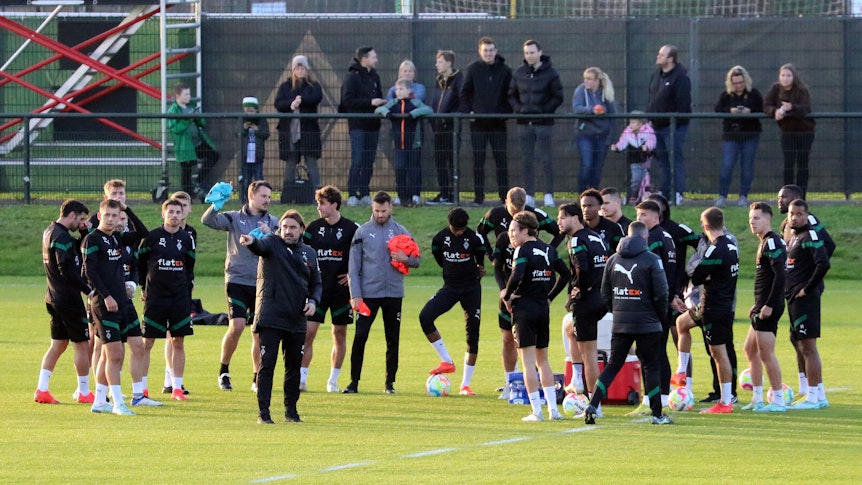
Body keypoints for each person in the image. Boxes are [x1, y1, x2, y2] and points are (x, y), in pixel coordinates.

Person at [584, 221, 671, 425]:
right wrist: (660, 317)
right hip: (648, 323)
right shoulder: (652, 260)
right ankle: (657, 414)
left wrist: (618, 312)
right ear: (645, 237)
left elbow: (605, 293)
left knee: (613, 365)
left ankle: (593, 404)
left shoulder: (613, 259)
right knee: (651, 366)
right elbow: (662, 293)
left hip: (621, 323)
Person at [239, 210, 321, 424]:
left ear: (301, 229)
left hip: (296, 318)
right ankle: (263, 414)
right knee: (267, 365)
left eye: (293, 227)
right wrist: (250, 241)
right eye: (284, 227)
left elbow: (317, 283)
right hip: (270, 316)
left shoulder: (309, 253)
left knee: (294, 366)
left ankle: (291, 412)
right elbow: (260, 246)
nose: (288, 231)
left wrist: (313, 302)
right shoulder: (272, 243)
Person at [201, 180, 278, 392]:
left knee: (258, 333)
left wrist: (271, 234)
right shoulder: (234, 217)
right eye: (264, 196)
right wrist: (216, 205)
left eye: (269, 197)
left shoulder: (273, 221)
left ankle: (257, 378)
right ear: (251, 196)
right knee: (236, 326)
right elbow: (207, 221)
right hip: (237, 280)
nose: (267, 200)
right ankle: (224, 370)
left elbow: (283, 244)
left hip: (262, 282)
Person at [343, 191, 420, 394]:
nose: (380, 214)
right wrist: (355, 295)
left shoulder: (401, 231)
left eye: (383, 210)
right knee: (360, 336)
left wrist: (406, 258)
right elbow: (353, 267)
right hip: (368, 295)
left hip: (394, 294)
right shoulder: (362, 232)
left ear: (390, 208)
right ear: (372, 209)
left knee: (392, 339)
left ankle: (389, 383)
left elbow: (417, 260)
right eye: (376, 211)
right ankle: (353, 382)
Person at [501, 211, 569, 421]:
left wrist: (507, 294)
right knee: (544, 361)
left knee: (528, 363)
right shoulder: (549, 249)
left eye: (514, 231)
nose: (510, 235)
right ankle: (553, 410)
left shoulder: (521, 250)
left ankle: (537, 412)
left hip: (524, 310)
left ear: (525, 230)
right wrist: (550, 297)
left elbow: (517, 274)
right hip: (542, 309)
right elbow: (566, 274)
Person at [676, 207, 739, 414]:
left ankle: (726, 401)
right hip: (713, 306)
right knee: (681, 323)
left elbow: (697, 276)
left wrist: (707, 275)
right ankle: (681, 372)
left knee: (719, 353)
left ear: (705, 226)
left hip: (714, 307)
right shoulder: (731, 244)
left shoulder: (715, 249)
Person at [776, 184, 835, 401]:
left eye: (784, 197)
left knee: (807, 343)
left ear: (797, 199)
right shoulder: (790, 228)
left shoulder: (810, 228)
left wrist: (808, 275)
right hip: (792, 292)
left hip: (806, 291)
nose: (779, 201)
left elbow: (828, 248)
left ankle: (814, 393)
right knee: (796, 338)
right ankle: (806, 387)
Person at [421, 207, 486, 396]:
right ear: (449, 224)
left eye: (461, 229)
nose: (458, 232)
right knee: (425, 316)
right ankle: (447, 361)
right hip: (449, 288)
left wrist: (476, 271)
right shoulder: (439, 239)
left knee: (472, 335)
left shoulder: (475, 239)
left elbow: (480, 264)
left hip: (471, 290)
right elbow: (439, 258)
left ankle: (465, 385)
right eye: (455, 229)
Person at [300, 185, 359, 393]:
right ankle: (301, 379)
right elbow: (301, 253)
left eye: (322, 204)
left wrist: (353, 274)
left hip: (341, 292)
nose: (318, 207)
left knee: (339, 334)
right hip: (317, 291)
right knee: (308, 333)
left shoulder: (352, 229)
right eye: (318, 203)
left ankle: (333, 380)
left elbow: (362, 256)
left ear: (334, 205)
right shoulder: (312, 228)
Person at [137, 199, 196, 402]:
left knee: (178, 341)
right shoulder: (151, 237)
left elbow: (189, 267)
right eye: (170, 211)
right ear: (163, 214)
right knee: (147, 342)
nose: (174, 215)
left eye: (178, 212)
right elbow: (141, 264)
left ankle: (177, 388)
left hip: (179, 298)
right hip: (155, 298)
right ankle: (143, 388)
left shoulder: (187, 239)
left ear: (182, 215)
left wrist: (187, 292)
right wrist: (144, 287)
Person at [35, 200, 93, 405]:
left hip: (52, 296)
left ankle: (42, 389)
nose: (82, 222)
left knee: (58, 344)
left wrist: (85, 234)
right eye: (81, 219)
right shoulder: (61, 237)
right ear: (72, 215)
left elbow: (74, 251)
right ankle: (84, 392)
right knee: (82, 345)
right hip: (67, 299)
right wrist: (89, 290)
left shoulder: (51, 232)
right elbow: (65, 268)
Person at [82, 199, 136, 416]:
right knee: (115, 354)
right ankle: (117, 403)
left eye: (116, 215)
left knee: (110, 355)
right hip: (105, 305)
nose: (112, 219)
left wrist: (127, 210)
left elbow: (141, 233)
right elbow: (90, 272)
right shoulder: (92, 239)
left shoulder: (116, 238)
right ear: (100, 216)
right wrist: (107, 297)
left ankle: (98, 400)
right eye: (108, 215)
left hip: (120, 302)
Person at [556, 203, 608, 408]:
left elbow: (581, 268)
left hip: (587, 301)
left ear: (574, 217)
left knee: (590, 354)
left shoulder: (576, 240)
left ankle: (595, 405)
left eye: (562, 217)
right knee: (570, 329)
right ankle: (577, 378)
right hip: (602, 297)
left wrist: (577, 291)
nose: (559, 222)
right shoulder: (596, 236)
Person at [742, 201, 787, 412]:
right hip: (761, 305)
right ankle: (757, 398)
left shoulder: (772, 242)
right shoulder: (764, 242)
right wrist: (758, 303)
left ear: (768, 219)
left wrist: (768, 304)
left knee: (766, 353)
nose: (752, 222)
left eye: (757, 218)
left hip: (770, 307)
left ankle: (778, 399)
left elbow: (780, 276)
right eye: (751, 218)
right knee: (750, 349)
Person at [635, 200, 680, 410]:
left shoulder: (653, 238)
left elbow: (653, 273)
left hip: (654, 303)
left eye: (643, 215)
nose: (639, 219)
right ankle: (662, 396)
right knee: (659, 350)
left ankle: (650, 399)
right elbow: (672, 271)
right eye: (638, 214)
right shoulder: (667, 236)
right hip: (665, 300)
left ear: (655, 216)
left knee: (650, 352)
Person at [508, 39, 564, 207]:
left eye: (532, 52)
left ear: (539, 52)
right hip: (524, 124)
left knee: (546, 159)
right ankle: (529, 195)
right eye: (526, 53)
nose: (529, 56)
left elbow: (557, 96)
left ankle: (548, 194)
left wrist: (544, 111)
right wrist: (519, 110)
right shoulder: (519, 72)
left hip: (544, 124)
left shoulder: (551, 73)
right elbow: (511, 94)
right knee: (526, 159)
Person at [460, 36, 512, 206]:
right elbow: (464, 92)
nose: (488, 53)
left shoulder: (505, 70)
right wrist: (470, 112)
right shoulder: (473, 69)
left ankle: (505, 197)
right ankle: (478, 197)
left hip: (498, 123)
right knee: (478, 160)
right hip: (478, 124)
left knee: (501, 160)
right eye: (485, 51)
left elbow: (510, 94)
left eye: (491, 50)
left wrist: (505, 112)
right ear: (479, 51)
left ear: (495, 51)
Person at [375, 78, 433, 207]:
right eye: (397, 89)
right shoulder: (393, 103)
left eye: (401, 89)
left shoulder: (415, 102)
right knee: (400, 169)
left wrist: (413, 114)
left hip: (413, 144)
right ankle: (401, 196)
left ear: (409, 90)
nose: (398, 92)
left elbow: (429, 110)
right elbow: (378, 110)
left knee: (414, 169)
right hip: (398, 144)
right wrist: (387, 113)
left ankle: (415, 195)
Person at [161, 191, 196, 395]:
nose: (179, 212)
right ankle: (170, 379)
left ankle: (175, 382)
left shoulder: (190, 234)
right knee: (168, 335)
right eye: (175, 208)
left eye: (183, 206)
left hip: (182, 291)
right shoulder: (161, 236)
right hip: (163, 293)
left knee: (178, 337)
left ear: (188, 210)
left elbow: (190, 264)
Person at [341, 46, 386, 207]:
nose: (376, 59)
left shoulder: (375, 76)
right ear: (364, 58)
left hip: (373, 125)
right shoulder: (352, 76)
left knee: (368, 160)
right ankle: (353, 193)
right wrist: (369, 102)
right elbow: (347, 101)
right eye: (373, 56)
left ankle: (365, 191)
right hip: (357, 125)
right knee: (358, 158)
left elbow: (379, 95)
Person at [647, 45, 692, 205]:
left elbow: (684, 105)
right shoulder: (656, 75)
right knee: (662, 160)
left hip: (674, 127)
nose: (658, 57)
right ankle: (664, 192)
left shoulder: (680, 78)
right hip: (656, 126)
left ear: (670, 58)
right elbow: (652, 99)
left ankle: (678, 193)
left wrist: (674, 122)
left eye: (661, 54)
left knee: (675, 159)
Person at [714, 66, 763, 207]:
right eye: (735, 83)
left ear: (745, 81)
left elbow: (762, 108)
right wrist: (730, 111)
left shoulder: (753, 94)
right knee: (727, 166)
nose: (738, 86)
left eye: (741, 82)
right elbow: (717, 109)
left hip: (750, 136)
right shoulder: (726, 95)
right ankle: (722, 196)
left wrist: (750, 111)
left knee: (747, 167)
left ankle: (743, 196)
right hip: (730, 136)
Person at [763, 64, 815, 196]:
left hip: (804, 132)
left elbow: (805, 109)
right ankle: (788, 195)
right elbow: (766, 105)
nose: (785, 78)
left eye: (788, 75)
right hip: (787, 132)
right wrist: (774, 111)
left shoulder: (802, 90)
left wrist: (791, 107)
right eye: (783, 75)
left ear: (794, 77)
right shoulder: (775, 89)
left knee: (802, 163)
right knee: (788, 163)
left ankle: (801, 195)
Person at [275, 55, 323, 189]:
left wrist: (301, 100)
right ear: (293, 70)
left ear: (307, 69)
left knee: (311, 160)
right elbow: (278, 103)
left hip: (308, 130)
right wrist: (291, 104)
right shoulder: (285, 86)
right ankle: (289, 191)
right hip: (290, 131)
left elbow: (316, 97)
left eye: (302, 67)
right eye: (297, 67)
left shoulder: (314, 85)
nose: (300, 70)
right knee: (291, 161)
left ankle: (317, 192)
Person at [167, 82, 217, 197]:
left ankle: (198, 181)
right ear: (178, 96)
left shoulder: (192, 106)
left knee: (213, 155)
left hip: (197, 143)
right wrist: (187, 119)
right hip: (184, 146)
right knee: (186, 170)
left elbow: (202, 122)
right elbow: (176, 129)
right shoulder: (173, 111)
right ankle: (187, 196)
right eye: (186, 94)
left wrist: (197, 118)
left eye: (189, 94)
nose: (189, 96)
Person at [573, 67, 617, 193]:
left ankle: (594, 193)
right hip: (584, 134)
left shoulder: (606, 92)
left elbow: (613, 113)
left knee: (597, 167)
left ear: (597, 80)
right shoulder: (580, 90)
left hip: (602, 135)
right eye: (585, 78)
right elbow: (577, 108)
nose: (586, 81)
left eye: (589, 79)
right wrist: (592, 110)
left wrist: (614, 137)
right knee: (586, 164)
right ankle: (581, 193)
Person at [477, 186, 563, 251]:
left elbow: (560, 231)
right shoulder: (495, 214)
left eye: (520, 211)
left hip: (530, 263)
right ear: (506, 202)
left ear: (525, 202)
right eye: (513, 212)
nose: (517, 216)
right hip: (505, 266)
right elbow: (480, 232)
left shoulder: (536, 214)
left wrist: (549, 250)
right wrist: (493, 256)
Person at [428, 50, 463, 205]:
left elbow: (462, 101)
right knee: (439, 161)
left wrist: (449, 118)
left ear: (449, 63)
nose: (437, 64)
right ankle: (443, 193)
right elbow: (435, 102)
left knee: (451, 162)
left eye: (440, 61)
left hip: (451, 128)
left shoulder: (458, 79)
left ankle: (452, 195)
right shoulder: (439, 80)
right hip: (438, 129)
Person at [610, 111, 656, 205]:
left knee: (646, 177)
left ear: (640, 123)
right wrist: (617, 147)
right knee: (636, 178)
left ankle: (645, 196)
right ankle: (634, 195)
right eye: (630, 122)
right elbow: (623, 141)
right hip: (634, 159)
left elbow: (652, 141)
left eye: (633, 122)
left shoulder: (648, 131)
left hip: (646, 158)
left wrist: (647, 147)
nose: (631, 125)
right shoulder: (628, 132)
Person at [236, 96, 269, 204]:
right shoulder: (241, 119)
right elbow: (237, 133)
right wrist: (244, 129)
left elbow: (266, 134)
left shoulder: (262, 119)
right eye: (247, 109)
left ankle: (261, 198)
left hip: (257, 155)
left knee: (259, 178)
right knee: (246, 179)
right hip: (245, 156)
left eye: (251, 109)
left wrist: (257, 130)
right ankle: (245, 199)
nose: (249, 112)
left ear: (256, 109)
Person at [580, 188, 624, 254]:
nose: (586, 209)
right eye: (583, 206)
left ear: (599, 206)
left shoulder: (613, 228)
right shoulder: (578, 228)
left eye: (590, 206)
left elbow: (621, 253)